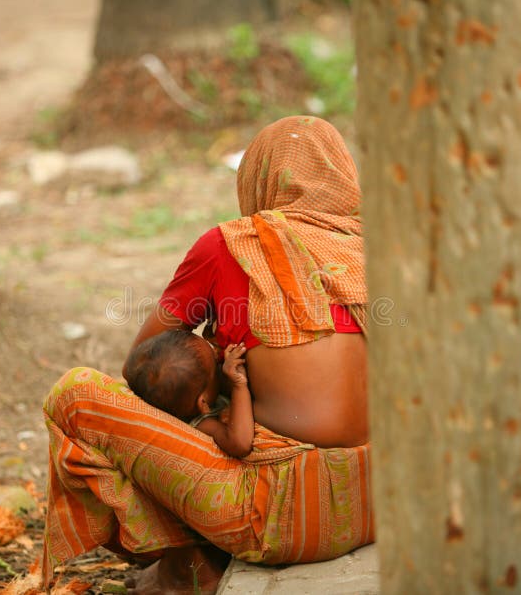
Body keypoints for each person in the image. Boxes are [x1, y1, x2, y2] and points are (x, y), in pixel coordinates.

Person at [43, 116, 372, 594]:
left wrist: (217, 361)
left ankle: (188, 564)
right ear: (344, 175)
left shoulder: (232, 244)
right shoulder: (376, 247)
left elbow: (144, 368)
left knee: (92, 394)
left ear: (258, 180)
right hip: (383, 503)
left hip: (279, 521)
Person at [123, 329, 254, 458]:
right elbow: (240, 444)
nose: (217, 354)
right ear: (203, 403)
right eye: (216, 362)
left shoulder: (182, 399)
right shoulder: (202, 424)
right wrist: (239, 385)